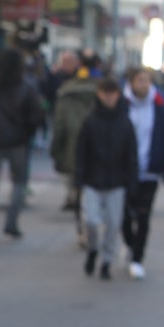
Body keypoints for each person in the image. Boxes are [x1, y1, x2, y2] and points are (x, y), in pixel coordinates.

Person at [0, 48, 44, 242]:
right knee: (19, 183)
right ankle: (11, 223)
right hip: (18, 143)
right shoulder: (26, 88)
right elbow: (36, 115)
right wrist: (27, 134)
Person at [74, 77, 137, 281]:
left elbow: (131, 154)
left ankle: (107, 261)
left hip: (116, 181)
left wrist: (131, 181)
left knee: (113, 223)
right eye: (105, 94)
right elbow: (81, 151)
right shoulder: (90, 120)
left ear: (118, 95)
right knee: (90, 220)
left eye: (112, 94)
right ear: (99, 95)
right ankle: (93, 248)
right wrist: (79, 177)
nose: (109, 98)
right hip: (93, 179)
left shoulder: (125, 121)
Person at [120, 67, 164, 279]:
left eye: (147, 81)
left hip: (150, 171)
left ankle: (137, 257)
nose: (144, 85)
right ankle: (129, 242)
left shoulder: (159, 107)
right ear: (132, 82)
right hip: (126, 171)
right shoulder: (122, 105)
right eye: (140, 80)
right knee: (124, 215)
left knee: (143, 216)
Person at [50, 68, 100, 242]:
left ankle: (81, 230)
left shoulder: (66, 97)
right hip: (98, 154)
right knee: (94, 192)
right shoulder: (101, 95)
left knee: (78, 191)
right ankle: (91, 227)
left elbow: (59, 129)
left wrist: (56, 152)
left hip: (73, 153)